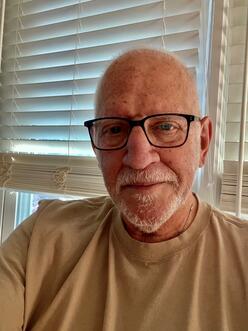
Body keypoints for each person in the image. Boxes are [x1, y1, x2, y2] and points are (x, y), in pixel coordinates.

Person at [0, 48, 247, 331]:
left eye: (165, 126)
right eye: (115, 129)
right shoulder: (41, 236)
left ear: (202, 142)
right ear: (95, 146)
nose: (139, 160)